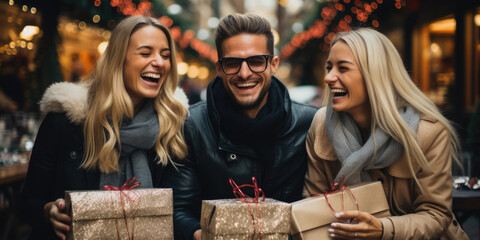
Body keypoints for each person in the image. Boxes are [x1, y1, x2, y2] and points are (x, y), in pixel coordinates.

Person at [21, 15, 189, 240]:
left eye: (165, 55)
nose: (159, 62)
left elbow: (179, 211)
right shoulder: (65, 121)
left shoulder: (172, 126)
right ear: (119, 60)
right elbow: (27, 203)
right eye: (146, 53)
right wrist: (49, 211)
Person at [162, 13, 318, 240]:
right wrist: (203, 235)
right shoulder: (191, 126)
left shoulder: (309, 124)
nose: (244, 74)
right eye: (233, 63)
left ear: (273, 65)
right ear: (220, 68)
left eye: (255, 61)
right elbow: (179, 210)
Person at [304, 28, 468, 239]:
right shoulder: (320, 124)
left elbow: (436, 216)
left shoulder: (428, 132)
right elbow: (312, 203)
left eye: (342, 68)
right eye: (329, 67)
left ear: (375, 74)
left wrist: (383, 229)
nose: (328, 77)